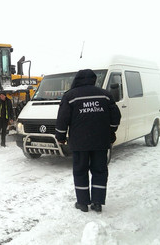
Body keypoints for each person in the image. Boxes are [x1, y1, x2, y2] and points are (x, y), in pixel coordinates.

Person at [55, 69, 121, 213]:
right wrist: (111, 132)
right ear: (93, 79)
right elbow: (116, 117)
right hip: (101, 141)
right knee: (100, 171)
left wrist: (60, 137)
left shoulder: (70, 96)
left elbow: (62, 119)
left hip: (79, 143)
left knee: (80, 171)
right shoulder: (105, 95)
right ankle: (97, 202)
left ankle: (83, 203)